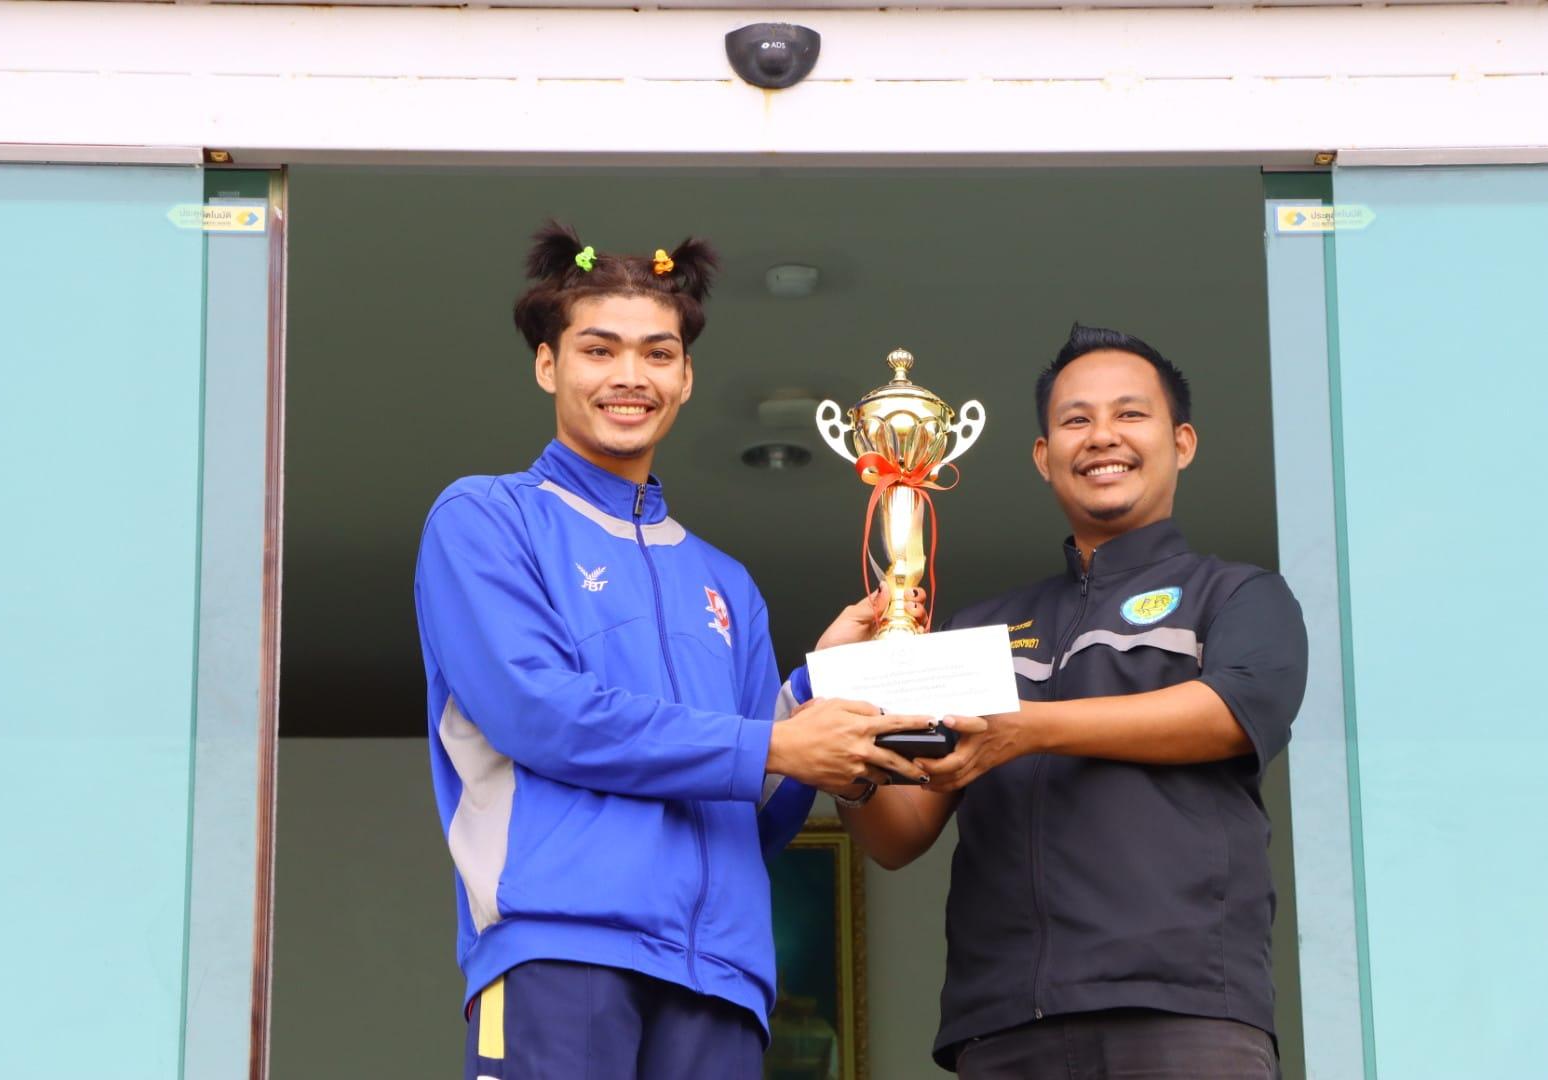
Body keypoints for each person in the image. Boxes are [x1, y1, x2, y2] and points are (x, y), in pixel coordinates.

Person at [413, 222, 928, 1080]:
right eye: (598, 350)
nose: (630, 376)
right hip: (560, 949)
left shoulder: (726, 582)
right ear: (547, 365)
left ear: (686, 378)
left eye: (657, 354)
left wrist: (815, 687)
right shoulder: (486, 519)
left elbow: (755, 806)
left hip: (721, 978)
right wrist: (774, 744)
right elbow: (541, 713)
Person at [826, 324, 1308, 1078]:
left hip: (1183, 1010)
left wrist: (1028, 729)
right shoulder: (981, 629)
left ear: (1182, 442)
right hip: (1004, 1023)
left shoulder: (1236, 593)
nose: (1102, 436)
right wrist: (843, 722)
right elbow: (899, 835)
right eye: (1076, 420)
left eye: (1130, 414)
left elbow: (1230, 712)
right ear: (1044, 457)